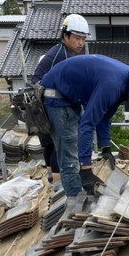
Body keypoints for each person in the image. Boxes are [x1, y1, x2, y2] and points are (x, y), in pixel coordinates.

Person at [41, 54, 129, 197]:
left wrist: (105, 146)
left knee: (76, 148)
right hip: (56, 96)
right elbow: (87, 125)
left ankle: (78, 191)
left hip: (70, 96)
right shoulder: (113, 85)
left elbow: (105, 117)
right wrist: (87, 170)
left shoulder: (125, 83)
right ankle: (75, 203)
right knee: (69, 154)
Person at [29, 14, 90, 184]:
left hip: (50, 104)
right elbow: (37, 81)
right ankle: (58, 185)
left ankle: (52, 179)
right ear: (65, 35)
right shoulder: (61, 55)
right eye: (77, 38)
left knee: (52, 144)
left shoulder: (65, 52)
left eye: (83, 39)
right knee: (61, 145)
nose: (81, 43)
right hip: (51, 106)